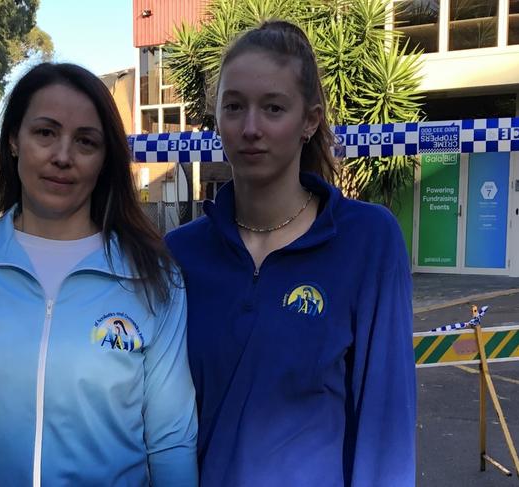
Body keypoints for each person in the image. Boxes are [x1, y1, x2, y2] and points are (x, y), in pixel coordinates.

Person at [0, 63, 198, 486]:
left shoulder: (153, 277)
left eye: (86, 141)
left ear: (105, 158)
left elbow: (170, 441)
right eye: (45, 133)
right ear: (14, 139)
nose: (62, 156)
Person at [166, 20, 416, 487]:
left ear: (310, 120)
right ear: (215, 117)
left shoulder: (367, 240)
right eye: (234, 106)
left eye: (274, 108)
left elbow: (386, 428)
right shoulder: (180, 254)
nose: (251, 128)